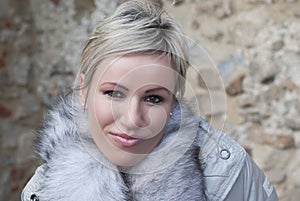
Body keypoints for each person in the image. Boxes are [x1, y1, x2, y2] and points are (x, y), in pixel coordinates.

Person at [21, 0, 278, 200]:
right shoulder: (42, 191)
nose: (133, 120)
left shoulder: (229, 174)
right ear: (84, 92)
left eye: (153, 98)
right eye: (113, 93)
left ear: (172, 104)